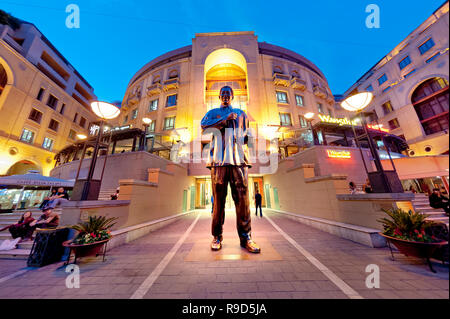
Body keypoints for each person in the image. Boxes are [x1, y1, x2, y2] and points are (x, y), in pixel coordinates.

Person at [201, 86, 260, 253]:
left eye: (229, 94)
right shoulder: (213, 112)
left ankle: (246, 237)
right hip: (218, 161)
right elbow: (203, 127)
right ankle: (217, 236)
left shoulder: (242, 114)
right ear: (219, 96)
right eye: (223, 94)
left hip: (239, 160)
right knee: (218, 200)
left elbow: (247, 135)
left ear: (232, 96)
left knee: (243, 200)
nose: (226, 96)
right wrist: (224, 119)